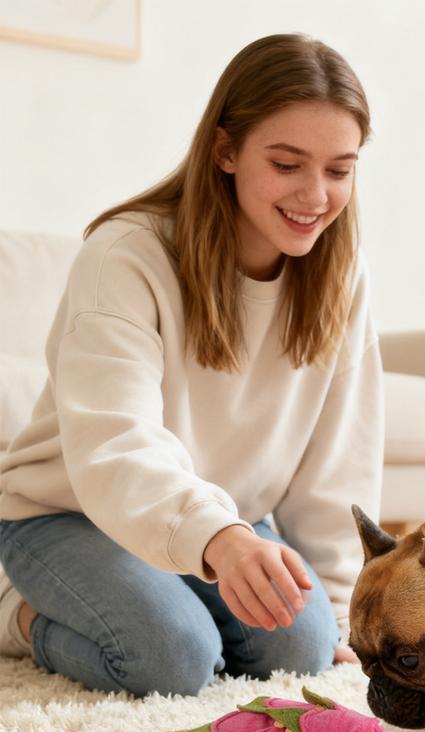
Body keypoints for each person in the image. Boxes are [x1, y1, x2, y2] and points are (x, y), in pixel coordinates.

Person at [0, 34, 383, 696]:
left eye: (339, 170)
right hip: (70, 513)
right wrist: (221, 540)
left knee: (302, 648)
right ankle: (14, 612)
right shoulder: (125, 258)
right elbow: (114, 445)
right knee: (171, 656)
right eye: (288, 163)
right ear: (226, 150)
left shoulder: (340, 277)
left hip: (222, 520)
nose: (315, 195)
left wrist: (345, 619)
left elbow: (337, 465)